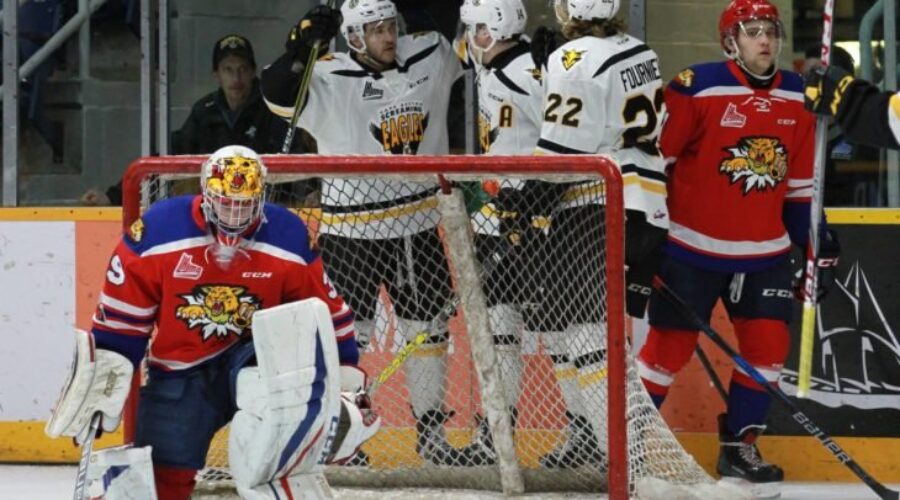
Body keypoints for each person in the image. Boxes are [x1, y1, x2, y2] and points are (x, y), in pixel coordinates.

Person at [46, 145, 380, 499]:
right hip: (181, 368)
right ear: (205, 194)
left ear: (261, 195)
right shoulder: (159, 231)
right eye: (226, 202)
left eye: (245, 204)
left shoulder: (287, 235)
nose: (235, 214)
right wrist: (98, 386)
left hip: (257, 361)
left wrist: (344, 381)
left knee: (274, 454)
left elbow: (325, 313)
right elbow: (121, 324)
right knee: (160, 483)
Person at [635, 1, 839, 496]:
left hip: (764, 253)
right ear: (732, 40)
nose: (764, 40)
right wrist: (647, 231)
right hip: (690, 250)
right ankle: (630, 443)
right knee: (665, 353)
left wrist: (818, 242)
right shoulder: (695, 85)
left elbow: (798, 186)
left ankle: (739, 447)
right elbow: (654, 161)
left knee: (768, 351)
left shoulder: (799, 96)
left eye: (770, 30)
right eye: (752, 31)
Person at [261, 0, 472, 465]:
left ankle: (432, 435)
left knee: (429, 332)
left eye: (390, 26)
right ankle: (339, 440)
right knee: (343, 336)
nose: (388, 36)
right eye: (375, 30)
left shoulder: (428, 54)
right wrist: (301, 45)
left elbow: (443, 18)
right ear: (353, 39)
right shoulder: (328, 74)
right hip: (349, 231)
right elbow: (274, 93)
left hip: (417, 224)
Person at [455, 0, 602, 468]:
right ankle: (497, 435)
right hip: (497, 218)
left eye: (475, 28)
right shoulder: (494, 64)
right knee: (497, 329)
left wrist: (538, 201)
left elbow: (565, 131)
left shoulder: (523, 71)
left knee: (555, 333)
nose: (468, 37)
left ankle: (584, 433)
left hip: (533, 220)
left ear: (493, 29)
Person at [527, 0, 669, 469]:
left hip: (595, 206)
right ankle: (597, 443)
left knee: (587, 335)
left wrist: (523, 202)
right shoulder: (639, 49)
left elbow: (563, 148)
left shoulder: (576, 57)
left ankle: (620, 459)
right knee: (581, 332)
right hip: (646, 207)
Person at [81, 34, 307, 206]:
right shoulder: (205, 111)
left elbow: (298, 154)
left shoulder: (272, 107)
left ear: (253, 72)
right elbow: (168, 157)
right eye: (228, 69)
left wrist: (310, 193)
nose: (236, 78)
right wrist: (113, 197)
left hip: (268, 209)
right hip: (219, 211)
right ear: (216, 74)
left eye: (243, 69)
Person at [804, 55, 900, 149]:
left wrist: (847, 98)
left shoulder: (856, 142)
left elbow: (891, 117)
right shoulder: (804, 135)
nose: (807, 88)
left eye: (813, 77)